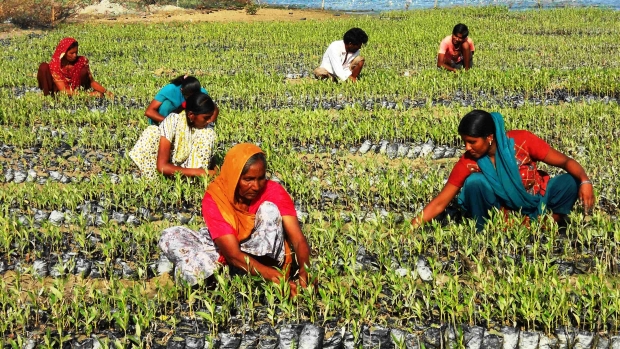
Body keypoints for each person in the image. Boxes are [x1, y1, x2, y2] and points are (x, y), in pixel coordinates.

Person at [159, 143, 312, 296]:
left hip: (263, 255)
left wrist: (305, 271)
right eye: (248, 179)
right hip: (230, 253)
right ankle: (239, 274)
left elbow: (298, 239)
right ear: (234, 176)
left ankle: (248, 273)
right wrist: (275, 278)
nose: (256, 186)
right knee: (171, 235)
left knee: (269, 210)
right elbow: (232, 254)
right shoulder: (217, 197)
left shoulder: (273, 191)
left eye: (261, 178)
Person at [411, 110, 594, 231]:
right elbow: (440, 202)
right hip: (501, 213)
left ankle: (547, 224)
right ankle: (487, 228)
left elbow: (565, 161)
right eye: (464, 141)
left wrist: (585, 181)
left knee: (569, 182)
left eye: (472, 142)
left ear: (489, 138)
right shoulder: (468, 161)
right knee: (475, 183)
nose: (467, 147)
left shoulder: (522, 141)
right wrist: (412, 226)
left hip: (536, 201)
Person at [129, 92, 217, 179]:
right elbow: (162, 167)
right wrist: (201, 172)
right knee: (152, 131)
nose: (210, 121)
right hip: (167, 167)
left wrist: (215, 168)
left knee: (208, 133)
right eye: (206, 118)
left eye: (210, 117)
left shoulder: (206, 127)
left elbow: (209, 153)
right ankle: (153, 177)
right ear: (191, 115)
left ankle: (192, 180)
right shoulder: (173, 121)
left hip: (188, 169)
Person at [37, 37, 111, 97]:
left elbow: (92, 81)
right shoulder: (56, 64)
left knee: (84, 71)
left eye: (76, 52)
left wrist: (106, 92)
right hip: (60, 90)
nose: (75, 55)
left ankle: (78, 93)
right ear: (64, 53)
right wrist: (89, 95)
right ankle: (49, 95)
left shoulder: (81, 61)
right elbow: (63, 91)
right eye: (71, 53)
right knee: (43, 67)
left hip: (76, 89)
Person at [144, 75, 218, 126]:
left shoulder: (202, 92)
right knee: (166, 105)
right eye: (188, 97)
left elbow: (214, 109)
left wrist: (208, 123)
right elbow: (149, 111)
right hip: (165, 118)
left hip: (184, 117)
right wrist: (170, 123)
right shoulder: (170, 89)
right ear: (181, 90)